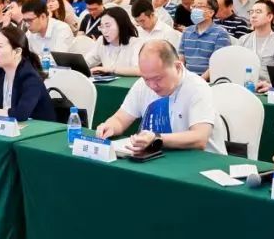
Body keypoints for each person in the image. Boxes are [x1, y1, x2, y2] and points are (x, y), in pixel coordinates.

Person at [95, 39, 225, 154]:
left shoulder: (197, 87)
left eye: (158, 78)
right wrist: (110, 126)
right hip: (160, 156)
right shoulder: (142, 85)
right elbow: (120, 119)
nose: (152, 85)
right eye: (146, 79)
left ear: (177, 67)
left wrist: (157, 138)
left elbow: (200, 138)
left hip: (203, 161)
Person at [179, 0, 232, 79]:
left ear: (211, 13)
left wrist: (199, 81)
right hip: (187, 79)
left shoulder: (221, 34)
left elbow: (217, 63)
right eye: (194, 6)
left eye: (199, 6)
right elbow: (181, 59)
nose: (195, 10)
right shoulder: (187, 31)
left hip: (209, 81)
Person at [242, 0, 274, 88]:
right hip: (244, 86)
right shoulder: (243, 40)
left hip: (266, 88)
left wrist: (270, 86)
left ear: (270, 17)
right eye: (251, 12)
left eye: (258, 12)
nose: (253, 15)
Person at [89, 6, 141, 76]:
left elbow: (139, 70)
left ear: (121, 25)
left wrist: (110, 69)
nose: (104, 31)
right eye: (102, 27)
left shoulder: (136, 43)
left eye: (108, 26)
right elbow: (88, 62)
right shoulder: (101, 41)